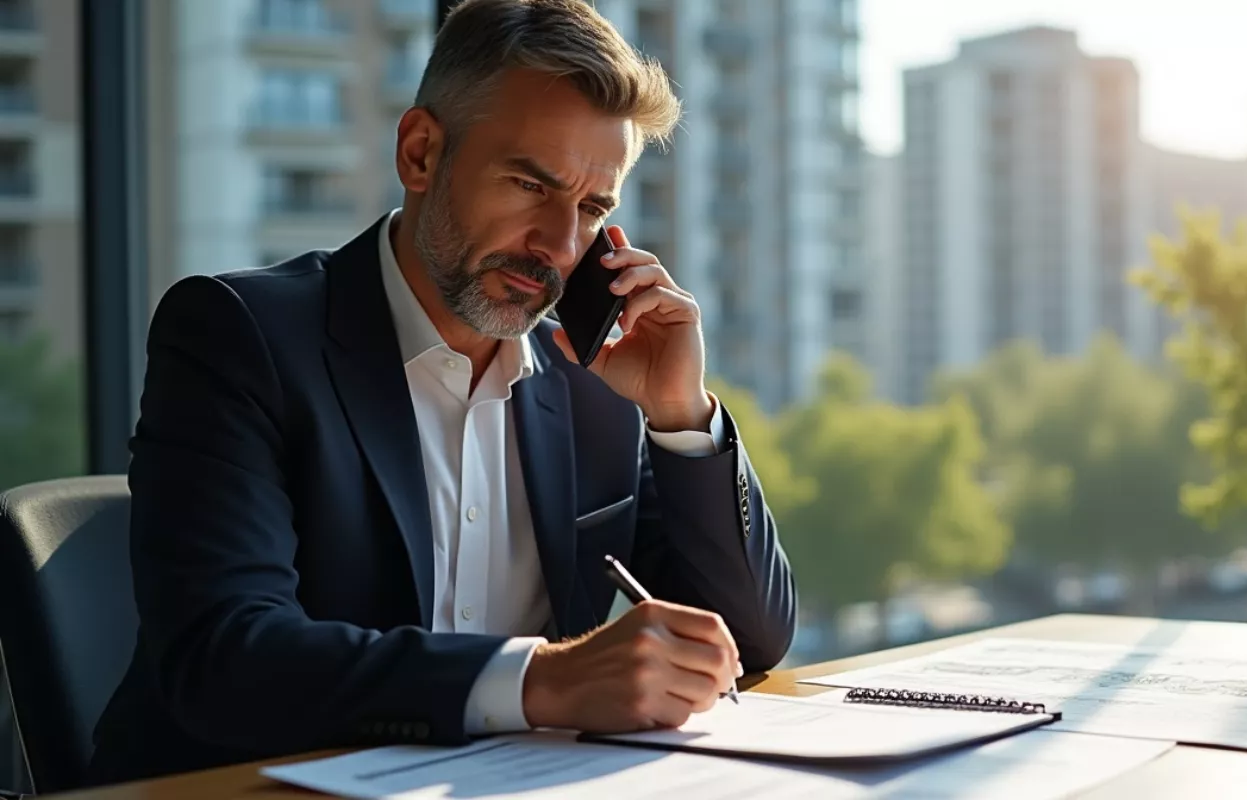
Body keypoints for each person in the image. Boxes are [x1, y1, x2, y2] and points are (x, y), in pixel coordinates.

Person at [86, 0, 795, 785]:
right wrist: (542, 680)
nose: (561, 246)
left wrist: (679, 416)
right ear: (421, 153)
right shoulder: (240, 335)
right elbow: (224, 658)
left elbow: (751, 638)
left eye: (593, 209)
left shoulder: (594, 384)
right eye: (530, 184)